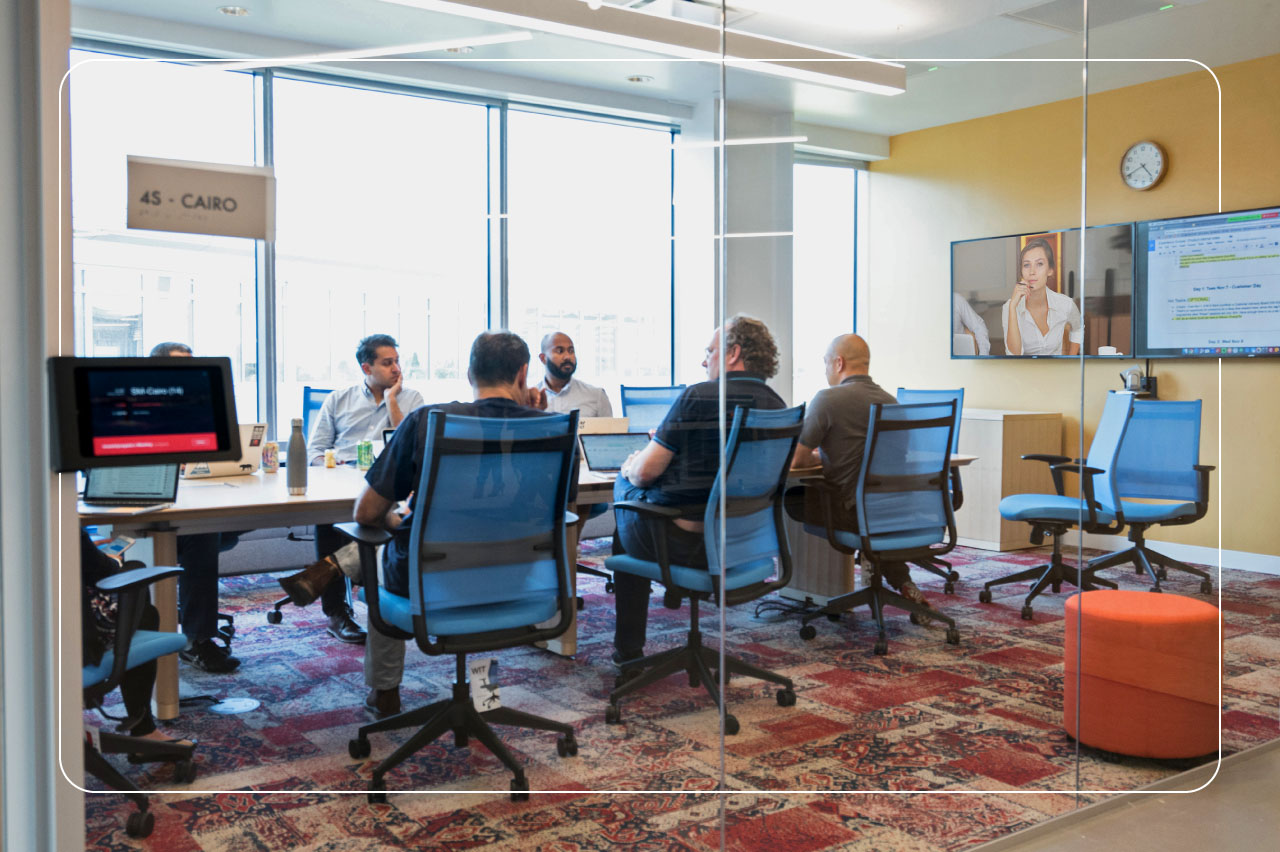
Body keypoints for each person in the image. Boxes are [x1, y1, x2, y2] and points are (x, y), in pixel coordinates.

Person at [336, 331, 552, 719]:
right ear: (524, 374)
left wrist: (396, 518)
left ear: (470, 373)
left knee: (377, 552)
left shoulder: (425, 420)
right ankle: (486, 695)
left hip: (432, 583)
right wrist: (538, 416)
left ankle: (384, 693)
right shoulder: (549, 426)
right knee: (462, 564)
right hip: (517, 581)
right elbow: (561, 508)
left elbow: (365, 514)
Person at [611, 314, 786, 664]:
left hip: (687, 546)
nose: (704, 360)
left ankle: (629, 650)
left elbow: (646, 474)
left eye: (710, 351)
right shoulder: (778, 406)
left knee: (626, 496)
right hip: (744, 545)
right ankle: (669, 600)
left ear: (733, 353)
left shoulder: (699, 396)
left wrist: (631, 466)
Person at [280, 334, 425, 645]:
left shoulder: (412, 400)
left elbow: (411, 449)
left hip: (389, 489)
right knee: (327, 517)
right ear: (366, 367)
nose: (396, 369)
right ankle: (337, 613)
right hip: (341, 483)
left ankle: (334, 576)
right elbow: (316, 451)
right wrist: (335, 470)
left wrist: (392, 403)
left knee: (392, 518)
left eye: (397, 361)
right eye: (388, 363)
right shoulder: (338, 399)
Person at [784, 333, 933, 618]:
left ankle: (803, 585)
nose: (826, 369)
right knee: (865, 511)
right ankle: (901, 580)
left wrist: (818, 456)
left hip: (849, 513)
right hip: (897, 509)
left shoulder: (827, 399)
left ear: (838, 363)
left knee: (792, 498)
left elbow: (796, 461)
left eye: (826, 363)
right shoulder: (892, 402)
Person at [149, 341, 243, 672]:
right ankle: (197, 642)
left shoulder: (202, 409)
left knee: (242, 515)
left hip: (204, 499)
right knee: (202, 535)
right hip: (152, 517)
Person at [81, 529, 193, 747]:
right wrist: (112, 560)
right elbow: (101, 570)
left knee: (134, 595)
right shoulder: (54, 513)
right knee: (135, 582)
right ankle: (143, 731)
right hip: (65, 636)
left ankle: (143, 728)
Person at [1002, 237, 1083, 356]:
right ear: (1021, 271)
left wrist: (1071, 360)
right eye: (1026, 265)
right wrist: (1013, 308)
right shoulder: (1009, 307)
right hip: (1024, 372)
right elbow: (1014, 355)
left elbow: (1078, 328)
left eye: (1039, 264)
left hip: (1056, 371)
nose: (1032, 272)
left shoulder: (1065, 304)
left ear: (1050, 270)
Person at [536, 331, 613, 417]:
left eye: (571, 351)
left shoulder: (597, 396)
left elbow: (611, 430)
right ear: (543, 358)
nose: (567, 357)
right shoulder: (529, 400)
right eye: (560, 351)